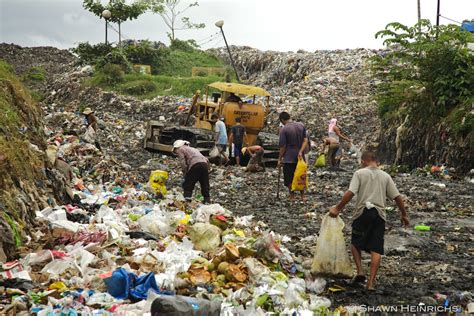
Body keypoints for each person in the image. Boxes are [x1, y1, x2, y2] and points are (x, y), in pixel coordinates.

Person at [329, 151, 409, 290]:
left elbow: (350, 192)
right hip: (379, 215)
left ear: (364, 161)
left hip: (362, 213)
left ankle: (360, 271)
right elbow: (397, 197)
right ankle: (371, 283)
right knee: (376, 248)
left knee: (355, 242)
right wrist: (404, 215)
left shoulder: (359, 173)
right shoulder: (385, 176)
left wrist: (337, 208)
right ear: (376, 161)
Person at [278, 111, 308, 201]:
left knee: (289, 177)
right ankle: (302, 196)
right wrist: (300, 151)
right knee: (301, 176)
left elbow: (283, 146)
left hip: (289, 157)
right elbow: (305, 140)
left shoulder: (284, 129)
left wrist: (279, 158)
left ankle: (292, 196)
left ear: (282, 120)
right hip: (300, 157)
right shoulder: (301, 125)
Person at [173, 140, 211, 204]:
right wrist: (208, 169)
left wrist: (185, 172)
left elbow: (182, 163)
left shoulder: (180, 149)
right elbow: (206, 160)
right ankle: (207, 200)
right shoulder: (194, 149)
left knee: (188, 183)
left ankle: (187, 199)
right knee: (204, 183)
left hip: (195, 165)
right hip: (204, 164)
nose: (176, 152)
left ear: (177, 147)